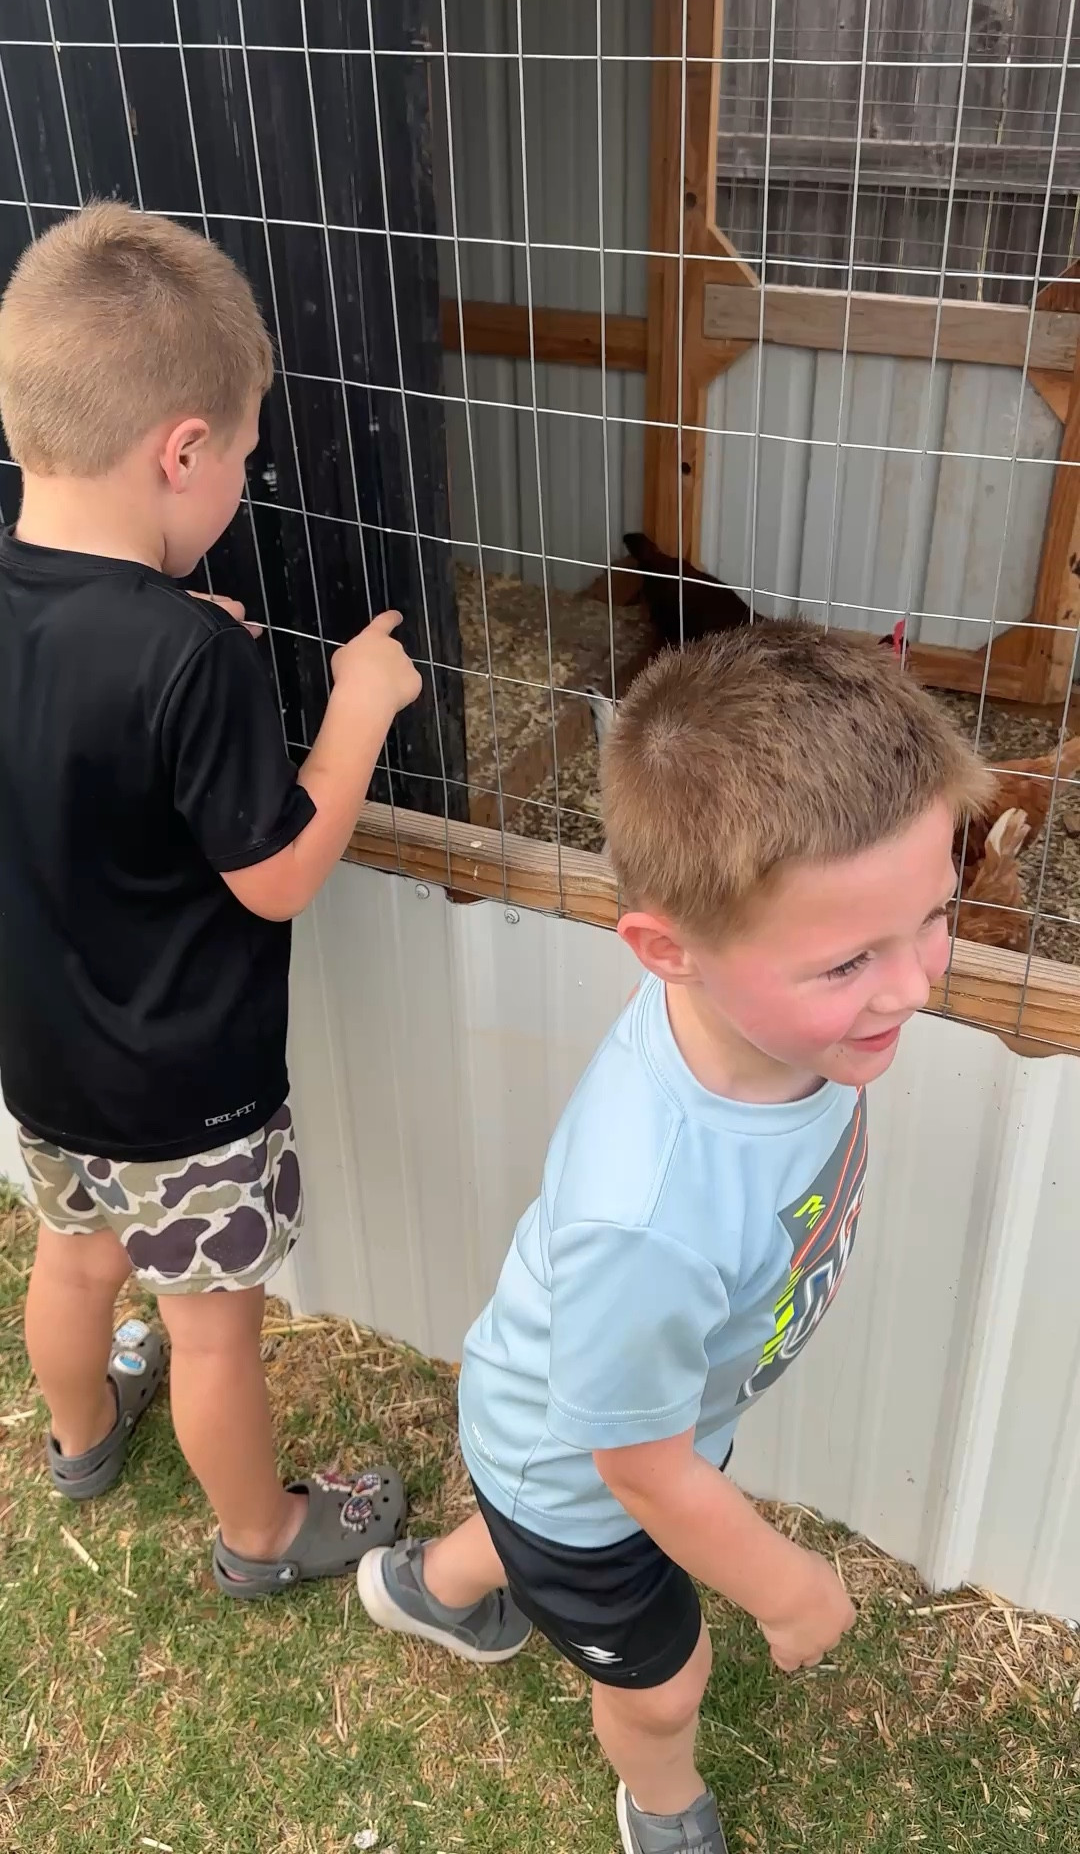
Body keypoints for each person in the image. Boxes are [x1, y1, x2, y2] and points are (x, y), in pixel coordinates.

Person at [357, 623, 990, 1853]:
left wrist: (844, 975)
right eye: (850, 959)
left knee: (532, 1521)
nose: (914, 986)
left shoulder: (787, 1029)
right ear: (667, 950)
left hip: (586, 1431)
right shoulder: (646, 1216)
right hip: (590, 1467)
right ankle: (662, 1805)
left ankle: (427, 1591)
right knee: (663, 1674)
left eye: (932, 918)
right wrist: (783, 1584)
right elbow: (638, 1473)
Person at [0, 203, 421, 1597]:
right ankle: (266, 1536)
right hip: (190, 1097)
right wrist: (354, 705)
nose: (247, 475)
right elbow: (283, 868)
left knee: (72, 1263)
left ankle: (78, 1440)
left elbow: (76, 732)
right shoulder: (193, 662)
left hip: (47, 1070)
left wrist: (189, 648)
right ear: (182, 452)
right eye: (242, 454)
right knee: (213, 1333)